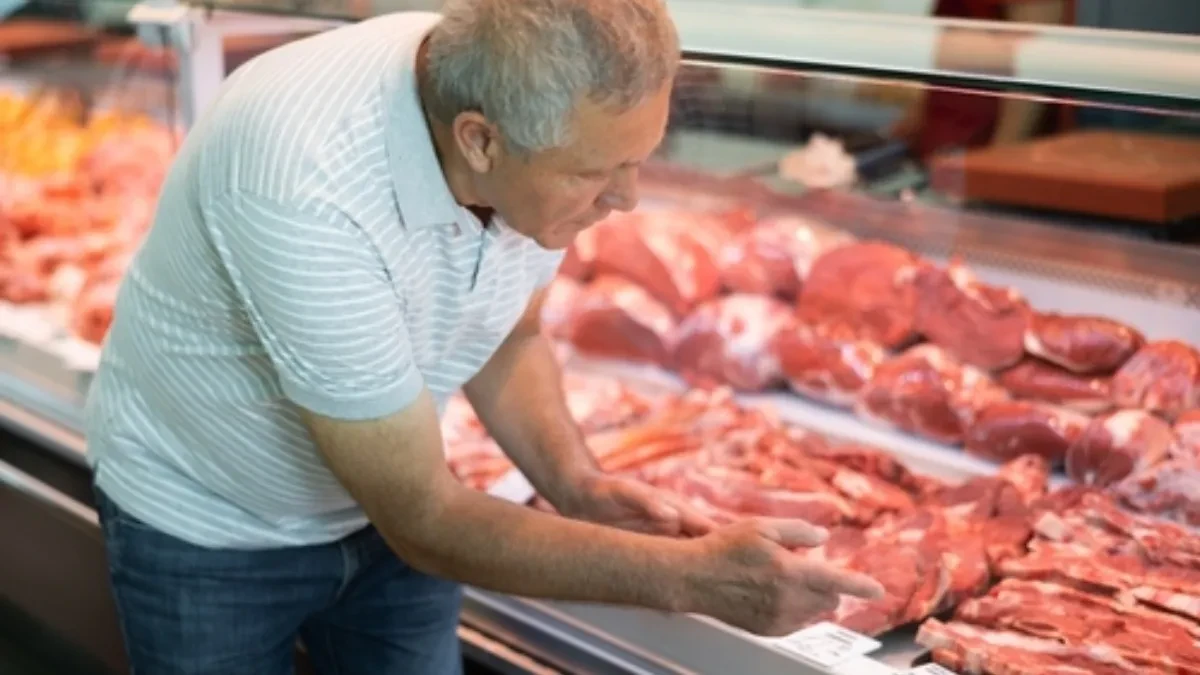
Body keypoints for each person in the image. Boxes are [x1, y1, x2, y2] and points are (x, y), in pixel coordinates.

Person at [83, 1, 884, 673]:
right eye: (597, 172)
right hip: (213, 527)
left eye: (641, 159)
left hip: (390, 513)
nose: (629, 199)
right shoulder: (303, 179)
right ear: (479, 140)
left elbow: (510, 333)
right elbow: (426, 519)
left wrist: (578, 484)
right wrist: (688, 580)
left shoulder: (530, 109)